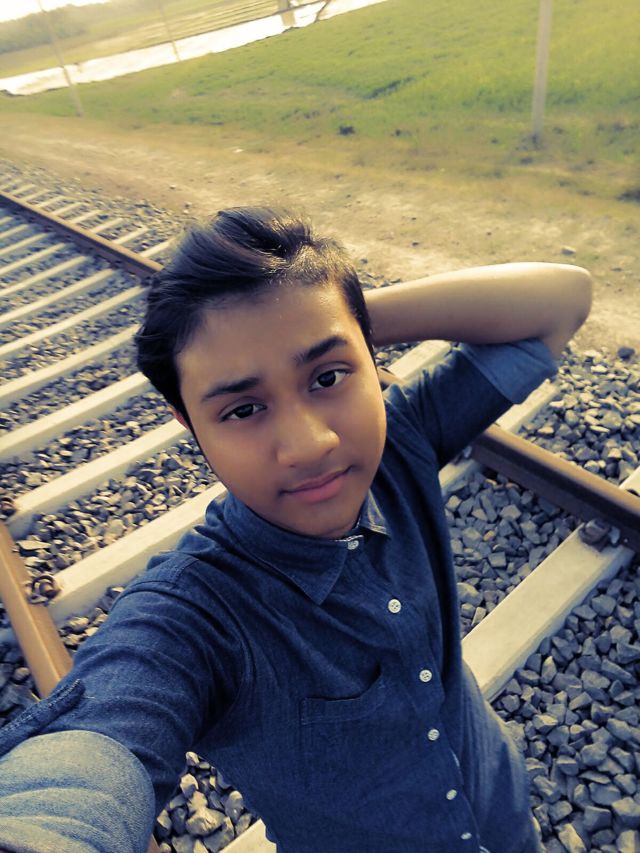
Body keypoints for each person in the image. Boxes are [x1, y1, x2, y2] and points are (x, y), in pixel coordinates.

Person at [0, 207, 592, 853]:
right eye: (243, 408)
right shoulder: (195, 615)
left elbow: (563, 299)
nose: (311, 445)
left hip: (506, 819)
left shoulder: (400, 447)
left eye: (328, 376)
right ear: (188, 423)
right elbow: (95, 745)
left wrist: (341, 316)